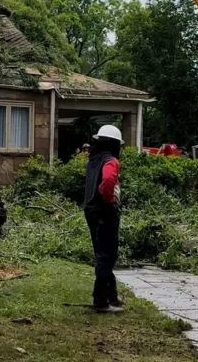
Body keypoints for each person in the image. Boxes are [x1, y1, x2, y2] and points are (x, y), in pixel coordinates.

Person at [83, 125, 123, 313]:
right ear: (115, 144)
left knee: (102, 253)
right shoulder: (110, 161)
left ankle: (112, 295)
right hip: (104, 210)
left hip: (90, 210)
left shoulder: (93, 160)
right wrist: (108, 200)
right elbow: (107, 181)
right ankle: (101, 300)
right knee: (107, 254)